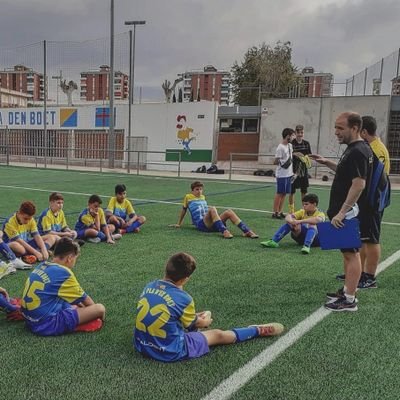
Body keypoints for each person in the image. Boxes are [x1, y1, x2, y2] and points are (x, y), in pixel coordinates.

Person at [133, 252, 284, 362]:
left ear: (166, 268)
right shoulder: (184, 299)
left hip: (142, 345)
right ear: (186, 279)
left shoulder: (149, 285)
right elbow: (194, 325)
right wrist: (206, 320)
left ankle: (255, 330)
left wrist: (195, 317)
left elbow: (169, 312)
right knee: (217, 334)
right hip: (169, 351)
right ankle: (257, 330)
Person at [310, 112, 373, 312]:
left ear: (354, 128)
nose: (336, 132)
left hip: (346, 213)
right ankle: (348, 289)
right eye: (336, 127)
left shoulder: (358, 151)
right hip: (342, 211)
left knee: (351, 254)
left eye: (340, 128)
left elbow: (359, 184)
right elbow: (348, 173)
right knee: (347, 254)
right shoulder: (355, 149)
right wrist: (327, 162)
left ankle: (350, 299)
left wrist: (342, 212)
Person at [336, 115, 390, 289]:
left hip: (372, 200)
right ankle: (358, 272)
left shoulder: (374, 149)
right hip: (368, 200)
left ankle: (370, 276)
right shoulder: (369, 147)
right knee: (364, 238)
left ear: (363, 131)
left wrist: (367, 202)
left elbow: (374, 178)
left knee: (372, 239)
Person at [21, 238, 105, 336]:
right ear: (69, 258)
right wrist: (98, 316)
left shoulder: (42, 265)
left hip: (29, 319)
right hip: (45, 324)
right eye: (75, 258)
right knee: (100, 308)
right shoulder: (64, 272)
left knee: (73, 303)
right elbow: (89, 303)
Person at [171, 181, 258, 239]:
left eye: (201, 189)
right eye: (197, 189)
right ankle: (224, 232)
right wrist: (179, 223)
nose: (199, 191)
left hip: (211, 223)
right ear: (192, 190)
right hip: (202, 225)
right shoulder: (188, 197)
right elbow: (184, 210)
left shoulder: (203, 197)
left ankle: (247, 231)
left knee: (229, 211)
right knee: (212, 208)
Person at [261, 193, 325, 254]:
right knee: (291, 223)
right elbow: (288, 216)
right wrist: (292, 222)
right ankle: (274, 241)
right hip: (300, 238)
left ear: (314, 204)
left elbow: (317, 220)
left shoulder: (320, 213)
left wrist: (299, 221)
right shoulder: (302, 211)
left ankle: (306, 246)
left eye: (306, 204)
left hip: (317, 241)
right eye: (303, 204)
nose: (304, 206)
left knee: (312, 225)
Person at [288, 125, 313, 214]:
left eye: (301, 132)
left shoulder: (306, 143)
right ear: (295, 133)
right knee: (292, 192)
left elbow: (310, 155)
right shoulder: (291, 144)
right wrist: (295, 154)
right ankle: (291, 210)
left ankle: (304, 209)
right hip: (293, 171)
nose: (300, 134)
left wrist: (306, 158)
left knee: (304, 191)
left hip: (303, 171)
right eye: (298, 132)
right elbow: (289, 155)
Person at [272, 128, 295, 219]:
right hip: (281, 174)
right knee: (279, 193)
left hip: (289, 173)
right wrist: (280, 162)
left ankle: (280, 211)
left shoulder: (290, 146)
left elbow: (290, 157)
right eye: (292, 135)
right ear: (288, 136)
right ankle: (275, 212)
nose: (293, 137)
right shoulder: (280, 147)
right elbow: (276, 161)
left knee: (285, 193)